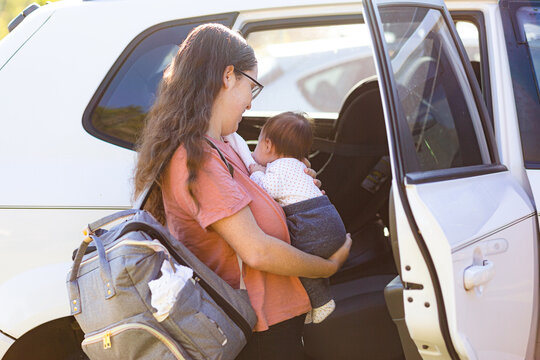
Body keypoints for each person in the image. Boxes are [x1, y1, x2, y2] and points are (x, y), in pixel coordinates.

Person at [133, 23, 351, 360]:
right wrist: (328, 268)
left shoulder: (223, 144)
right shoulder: (197, 159)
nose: (250, 102)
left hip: (271, 323)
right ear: (228, 76)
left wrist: (296, 188)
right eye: (253, 86)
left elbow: (258, 201)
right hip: (256, 331)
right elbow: (258, 252)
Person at [226, 112, 346, 324]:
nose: (253, 153)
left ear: (269, 146)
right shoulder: (298, 166)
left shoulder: (278, 168)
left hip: (313, 225)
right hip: (329, 220)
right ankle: (319, 299)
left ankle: (322, 302)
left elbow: (265, 188)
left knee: (294, 259)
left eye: (258, 145)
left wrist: (255, 171)